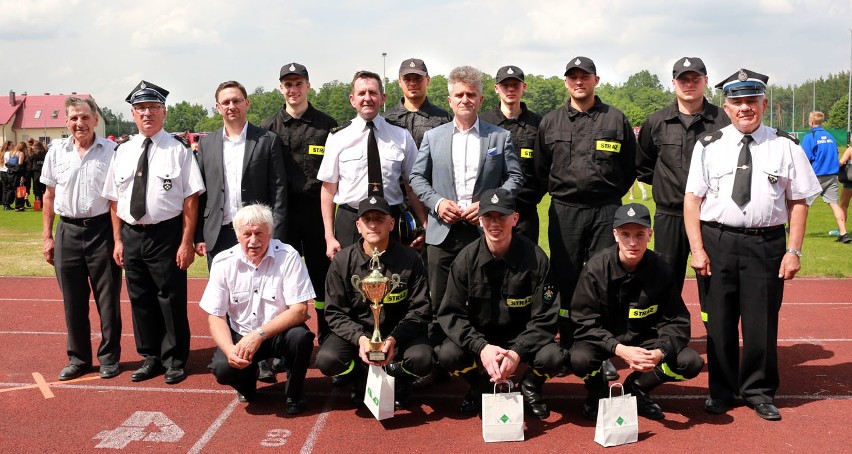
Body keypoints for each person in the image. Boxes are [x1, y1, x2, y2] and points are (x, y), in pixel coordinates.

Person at [684, 68, 820, 421]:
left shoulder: (785, 145)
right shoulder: (708, 145)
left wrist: (794, 251)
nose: (745, 107)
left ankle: (759, 391)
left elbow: (800, 202)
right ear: (726, 108)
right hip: (718, 242)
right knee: (721, 323)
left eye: (751, 101)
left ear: (764, 104)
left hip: (766, 244)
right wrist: (697, 249)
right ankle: (722, 391)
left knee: (761, 323)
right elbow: (692, 201)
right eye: (737, 102)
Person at [534, 56, 636, 378]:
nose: (579, 81)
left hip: (606, 210)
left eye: (585, 76)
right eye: (573, 77)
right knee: (565, 277)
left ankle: (600, 348)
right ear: (566, 82)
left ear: (596, 80)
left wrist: (607, 196)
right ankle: (566, 343)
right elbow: (540, 168)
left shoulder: (615, 119)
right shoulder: (550, 122)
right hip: (565, 211)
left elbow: (629, 169)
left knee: (603, 279)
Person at [409, 65, 524, 345]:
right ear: (449, 100)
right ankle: (439, 358)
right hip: (442, 231)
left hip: (482, 231)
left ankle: (485, 357)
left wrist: (487, 205)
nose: (465, 100)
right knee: (440, 300)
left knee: (485, 299)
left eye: (471, 94)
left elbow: (516, 176)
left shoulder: (499, 137)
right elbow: (415, 177)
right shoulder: (433, 137)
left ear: (481, 99)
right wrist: (436, 203)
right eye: (459, 94)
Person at [103, 80, 206, 384]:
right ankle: (151, 357)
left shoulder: (179, 150)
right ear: (133, 115)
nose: (146, 113)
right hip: (132, 234)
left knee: (170, 298)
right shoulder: (122, 151)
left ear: (164, 112)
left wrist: (186, 242)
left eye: (152, 108)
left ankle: (174, 359)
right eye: (140, 108)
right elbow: (114, 199)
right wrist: (118, 239)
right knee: (140, 299)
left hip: (166, 234)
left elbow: (191, 199)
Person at [570, 203, 704, 421]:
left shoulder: (661, 269)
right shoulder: (595, 268)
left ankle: (637, 388)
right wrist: (618, 348)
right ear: (615, 234)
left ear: (650, 234)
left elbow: (677, 321)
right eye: (625, 234)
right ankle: (597, 391)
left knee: (690, 363)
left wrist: (660, 350)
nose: (632, 242)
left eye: (639, 234)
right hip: (604, 339)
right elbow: (583, 321)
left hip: (644, 339)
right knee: (579, 359)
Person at [436, 188, 560, 419]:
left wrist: (517, 351)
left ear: (514, 219)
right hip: (480, 338)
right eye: (489, 217)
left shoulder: (537, 258)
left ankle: (530, 386)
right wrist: (481, 347)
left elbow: (546, 316)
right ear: (480, 221)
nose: (495, 224)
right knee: (447, 354)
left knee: (554, 357)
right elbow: (450, 314)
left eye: (501, 216)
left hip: (521, 337)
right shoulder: (465, 260)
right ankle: (480, 385)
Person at [316, 196, 433, 410]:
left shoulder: (411, 259)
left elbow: (421, 308)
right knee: (327, 360)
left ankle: (400, 378)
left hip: (399, 335)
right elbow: (334, 312)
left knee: (423, 359)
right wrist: (360, 339)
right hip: (357, 336)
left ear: (391, 223)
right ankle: (360, 375)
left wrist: (394, 339)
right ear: (358, 225)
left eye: (379, 219)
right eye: (367, 219)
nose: (373, 224)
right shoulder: (342, 261)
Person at [200, 204, 315, 414]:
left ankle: (294, 393)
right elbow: (215, 316)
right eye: (247, 234)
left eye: (259, 233)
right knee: (222, 368)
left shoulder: (288, 256)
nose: (253, 240)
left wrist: (259, 334)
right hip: (241, 334)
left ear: (270, 233)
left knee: (301, 338)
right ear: (237, 235)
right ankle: (247, 385)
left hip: (279, 332)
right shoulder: (223, 262)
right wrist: (229, 350)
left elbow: (299, 310)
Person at [40, 96, 123, 381]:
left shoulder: (112, 151)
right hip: (67, 231)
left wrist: (117, 239)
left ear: (95, 120)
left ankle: (110, 357)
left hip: (102, 231)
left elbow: (115, 200)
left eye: (85, 117)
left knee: (108, 299)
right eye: (74, 118)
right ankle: (78, 359)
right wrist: (47, 237)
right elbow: (48, 195)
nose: (80, 123)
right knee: (73, 301)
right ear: (67, 122)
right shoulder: (56, 152)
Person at [637, 57, 731, 296]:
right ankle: (669, 332)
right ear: (673, 83)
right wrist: (667, 187)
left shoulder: (724, 121)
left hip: (712, 216)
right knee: (665, 279)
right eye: (683, 80)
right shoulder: (656, 121)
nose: (689, 84)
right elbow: (644, 164)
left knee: (713, 281)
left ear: (705, 81)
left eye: (695, 79)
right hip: (670, 215)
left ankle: (715, 332)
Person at [261, 62, 338, 349]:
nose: (293, 89)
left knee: (323, 279)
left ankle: (328, 338)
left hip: (317, 215)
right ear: (281, 88)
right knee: (282, 281)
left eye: (298, 83)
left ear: (308, 86)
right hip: (282, 216)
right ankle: (286, 344)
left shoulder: (328, 126)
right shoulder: (267, 129)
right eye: (288, 84)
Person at [317, 70, 426, 259]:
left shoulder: (401, 135)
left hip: (390, 219)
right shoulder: (337, 137)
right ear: (352, 99)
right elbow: (328, 189)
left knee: (394, 281)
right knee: (351, 283)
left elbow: (412, 186)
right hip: (351, 220)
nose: (367, 98)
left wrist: (425, 224)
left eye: (373, 93)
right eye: (361, 93)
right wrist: (329, 236)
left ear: (383, 98)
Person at [194, 80, 288, 267]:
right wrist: (199, 236)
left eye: (236, 101)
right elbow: (200, 194)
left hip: (257, 232)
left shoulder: (267, 141)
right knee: (222, 295)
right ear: (218, 107)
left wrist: (275, 233)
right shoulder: (207, 144)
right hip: (218, 234)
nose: (231, 106)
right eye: (226, 102)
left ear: (247, 103)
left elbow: (279, 192)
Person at [480, 65, 545, 242]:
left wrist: (532, 196)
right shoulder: (483, 123)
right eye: (505, 85)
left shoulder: (538, 124)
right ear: (496, 89)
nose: (510, 89)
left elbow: (545, 167)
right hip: (489, 210)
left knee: (526, 263)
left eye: (515, 85)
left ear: (524, 87)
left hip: (525, 210)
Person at [800, 111, 849, 244]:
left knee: (803, 204)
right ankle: (844, 233)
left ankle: (795, 230)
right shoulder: (830, 136)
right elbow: (835, 153)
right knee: (833, 204)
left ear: (811, 122)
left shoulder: (810, 137)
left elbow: (804, 158)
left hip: (815, 176)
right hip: (832, 175)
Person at [383, 58, 452, 148]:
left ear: (428, 80)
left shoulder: (443, 118)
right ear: (399, 81)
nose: (412, 83)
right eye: (407, 79)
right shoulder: (386, 119)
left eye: (418, 78)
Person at [30, 141, 48, 210]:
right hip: (44, 173)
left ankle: (38, 205)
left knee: (37, 190)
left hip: (36, 173)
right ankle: (44, 205)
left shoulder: (34, 154)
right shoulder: (46, 153)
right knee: (44, 190)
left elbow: (30, 162)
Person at [1, 141, 16, 210]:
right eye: (12, 146)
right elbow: (8, 163)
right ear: (8, 146)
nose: (13, 147)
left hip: (2, 172)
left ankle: (4, 204)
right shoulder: (7, 153)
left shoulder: (2, 153)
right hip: (7, 172)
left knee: (5, 189)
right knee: (9, 188)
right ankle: (7, 204)